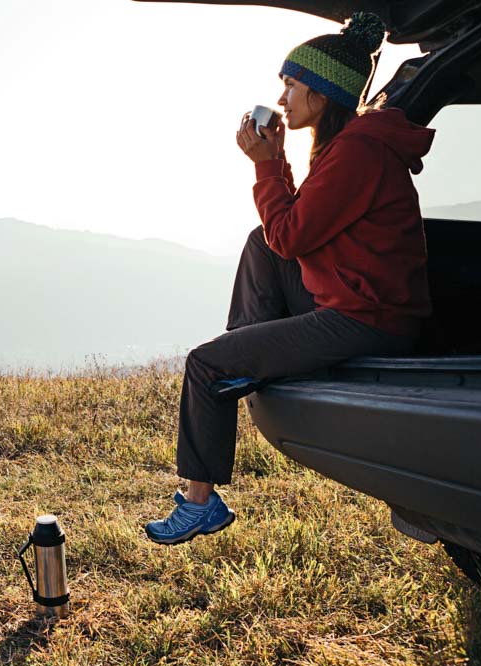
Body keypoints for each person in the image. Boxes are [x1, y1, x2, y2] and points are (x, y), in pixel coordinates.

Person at [145, 12, 436, 544]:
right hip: (361, 298)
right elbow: (287, 233)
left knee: (205, 365)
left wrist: (265, 164)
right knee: (259, 246)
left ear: (322, 96)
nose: (282, 99)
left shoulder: (357, 153)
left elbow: (290, 234)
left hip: (368, 318)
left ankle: (198, 502)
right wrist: (277, 163)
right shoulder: (351, 146)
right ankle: (252, 357)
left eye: (291, 85)